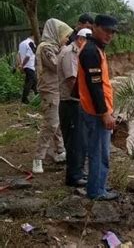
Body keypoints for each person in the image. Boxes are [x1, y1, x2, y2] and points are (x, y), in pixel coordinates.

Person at [78, 15, 118, 200]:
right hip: (96, 112)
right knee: (99, 153)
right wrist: (104, 114)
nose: (109, 35)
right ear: (95, 27)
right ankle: (96, 191)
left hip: (95, 110)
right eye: (106, 30)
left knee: (100, 152)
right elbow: (94, 86)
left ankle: (99, 186)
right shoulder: (91, 51)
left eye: (112, 32)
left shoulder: (97, 49)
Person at [32, 18, 73, 174]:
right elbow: (57, 65)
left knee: (55, 122)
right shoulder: (46, 48)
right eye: (65, 36)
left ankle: (60, 151)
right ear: (57, 34)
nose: (67, 39)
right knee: (51, 124)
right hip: (49, 91)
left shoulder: (54, 47)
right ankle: (38, 158)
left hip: (56, 89)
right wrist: (67, 52)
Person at [58, 28, 92, 187]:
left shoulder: (75, 51)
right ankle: (74, 176)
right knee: (75, 141)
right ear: (80, 39)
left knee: (80, 140)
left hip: (74, 102)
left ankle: (78, 173)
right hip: (71, 102)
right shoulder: (71, 53)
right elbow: (73, 80)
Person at [18, 35, 38, 104]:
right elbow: (28, 56)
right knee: (30, 82)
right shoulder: (31, 43)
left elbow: (18, 55)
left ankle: (37, 97)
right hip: (29, 66)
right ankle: (24, 99)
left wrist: (20, 64)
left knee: (34, 82)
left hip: (26, 66)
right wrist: (22, 65)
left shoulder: (22, 43)